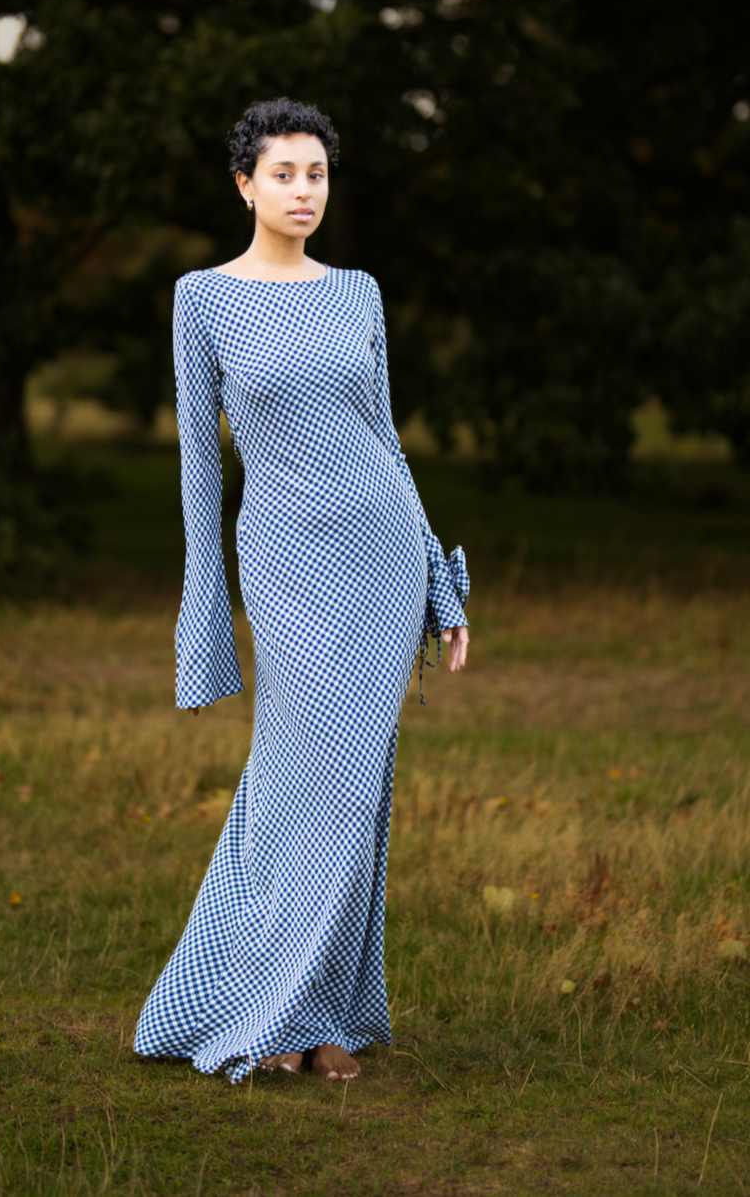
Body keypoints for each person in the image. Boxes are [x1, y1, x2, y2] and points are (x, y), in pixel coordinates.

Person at [133, 98, 469, 1084]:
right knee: (297, 786)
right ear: (243, 184)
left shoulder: (357, 291)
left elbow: (388, 440)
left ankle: (327, 1013)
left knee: (356, 792)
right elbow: (200, 469)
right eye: (283, 173)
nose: (302, 190)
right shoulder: (204, 297)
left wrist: (440, 589)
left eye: (316, 173)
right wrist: (205, 630)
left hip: (378, 563)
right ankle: (258, 1002)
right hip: (283, 566)